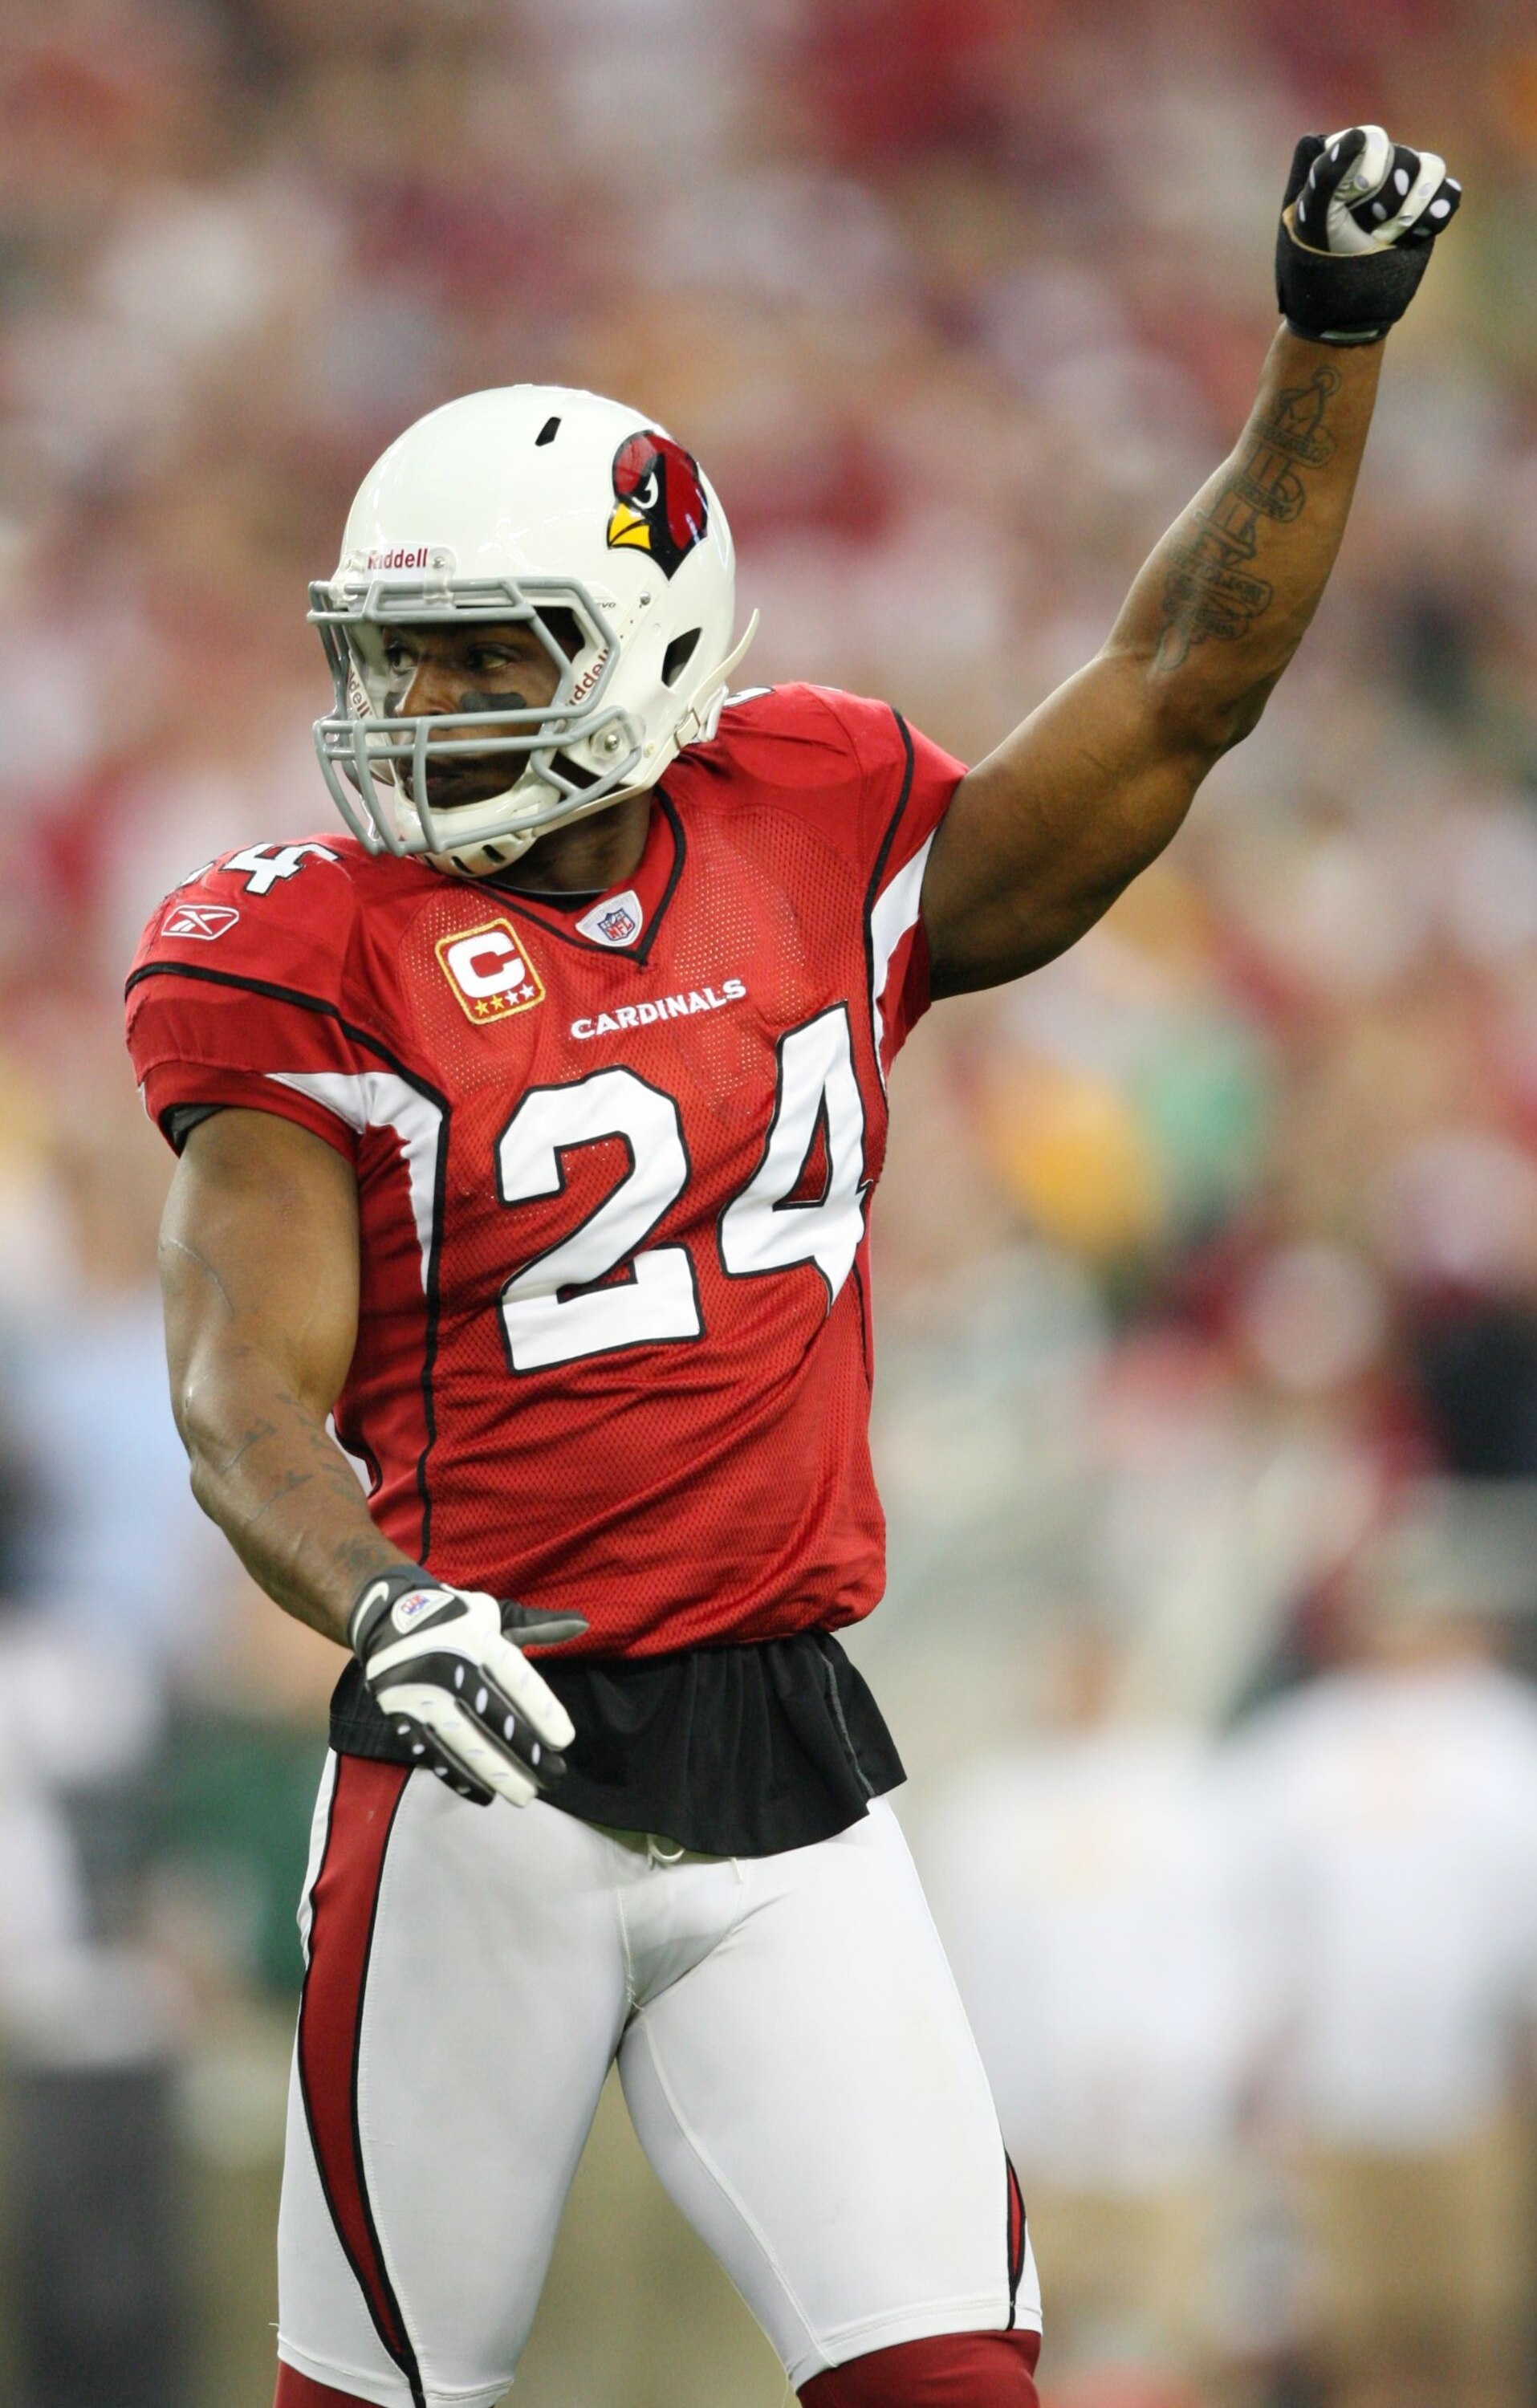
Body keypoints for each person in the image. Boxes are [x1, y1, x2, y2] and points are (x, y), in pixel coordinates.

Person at [125, 128, 1459, 2408]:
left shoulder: (815, 808)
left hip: (787, 1764)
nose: (412, 709)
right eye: (393, 656)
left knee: (951, 2381)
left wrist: (1321, 356)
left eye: (477, 656)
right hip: (489, 1770)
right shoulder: (306, 954)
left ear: (643, 649)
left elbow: (1166, 692)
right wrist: (381, 1606)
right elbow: (243, 1387)